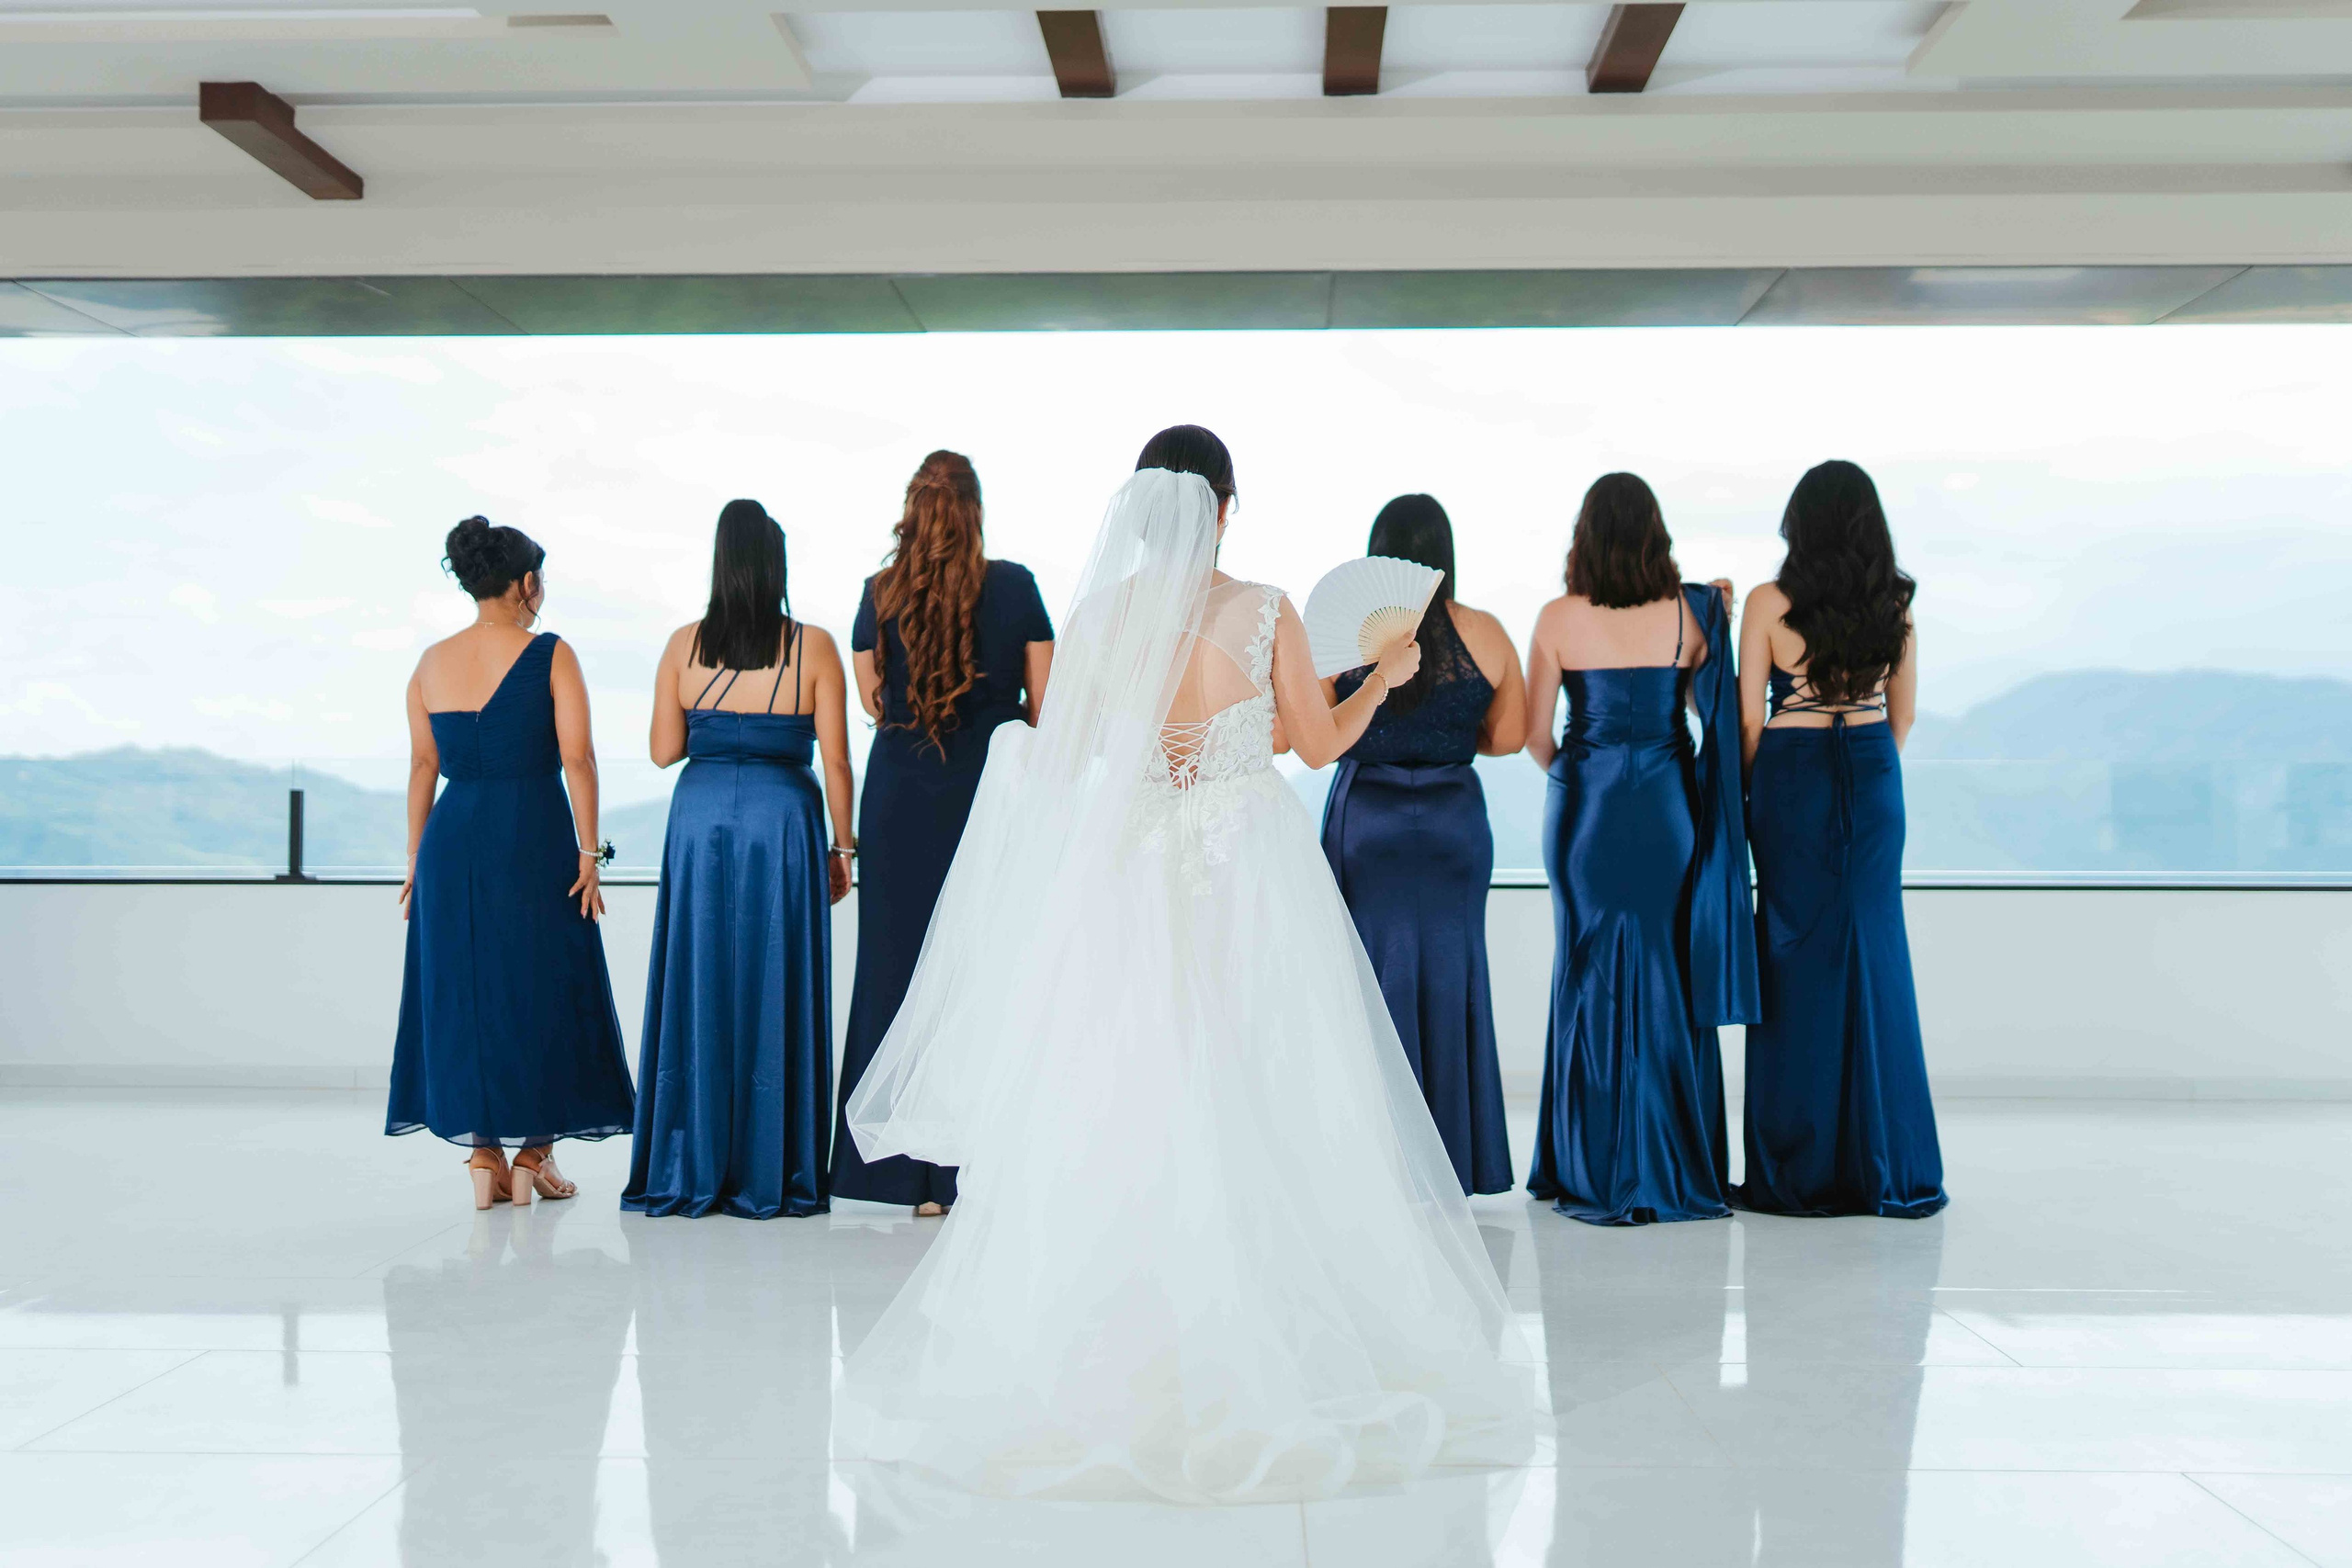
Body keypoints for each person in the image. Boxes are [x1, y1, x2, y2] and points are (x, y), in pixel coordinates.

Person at [834, 426, 1532, 1505]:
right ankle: (1274, 1332)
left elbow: (1062, 754)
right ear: (1225, 507)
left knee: (1130, 1095)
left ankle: (1114, 1342)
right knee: (1272, 1093)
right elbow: (1315, 743)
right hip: (1247, 869)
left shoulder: (1103, 618)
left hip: (1133, 873)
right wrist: (1384, 678)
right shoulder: (1263, 609)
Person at [1521, 473, 1758, 1226]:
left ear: (1584, 535)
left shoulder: (1557, 617)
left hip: (1585, 808)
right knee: (1669, 972)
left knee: (1586, 970)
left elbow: (1534, 737)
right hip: (1667, 807)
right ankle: (1675, 1163)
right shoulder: (1690, 617)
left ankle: (1585, 1163)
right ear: (1656, 534)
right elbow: (1705, 709)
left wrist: (1584, 770)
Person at [388, 515, 637, 1209]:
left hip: (450, 840)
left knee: (464, 993)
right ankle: (534, 1154)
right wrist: (590, 853)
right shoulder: (551, 652)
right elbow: (578, 759)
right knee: (546, 986)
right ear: (526, 584)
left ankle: (483, 1158)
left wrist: (414, 860)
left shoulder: (429, 663)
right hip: (533, 832)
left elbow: (421, 767)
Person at [831, 451, 1053, 1217]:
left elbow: (872, 698)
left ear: (912, 510)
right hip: (987, 798)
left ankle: (899, 1176)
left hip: (896, 798)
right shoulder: (1018, 587)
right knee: (983, 975)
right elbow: (1046, 707)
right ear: (976, 510)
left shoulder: (876, 595)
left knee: (893, 974)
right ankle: (970, 1172)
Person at [623, 500, 855, 1221]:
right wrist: (844, 847)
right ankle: (773, 1168)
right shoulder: (812, 645)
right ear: (776, 564)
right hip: (783, 823)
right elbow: (840, 761)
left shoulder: (683, 644)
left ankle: (689, 1163)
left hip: (699, 825)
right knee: (774, 981)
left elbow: (664, 750)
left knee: (699, 981)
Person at [1735, 460, 1947, 1219]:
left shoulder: (1766, 602)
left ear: (1800, 521)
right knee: (1875, 948)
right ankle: (1885, 1159)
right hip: (1870, 767)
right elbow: (1905, 717)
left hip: (1791, 775)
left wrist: (1764, 792)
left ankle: (1798, 1162)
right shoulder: (1896, 601)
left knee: (1792, 955)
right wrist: (1864, 762)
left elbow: (1748, 722)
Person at [1320, 493, 1526, 1196]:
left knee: (1366, 982)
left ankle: (1375, 1165)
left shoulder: (1345, 634)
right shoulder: (1487, 633)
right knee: (1452, 974)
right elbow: (1509, 736)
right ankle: (1453, 1161)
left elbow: (1319, 731)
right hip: (1451, 824)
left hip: (1366, 817)